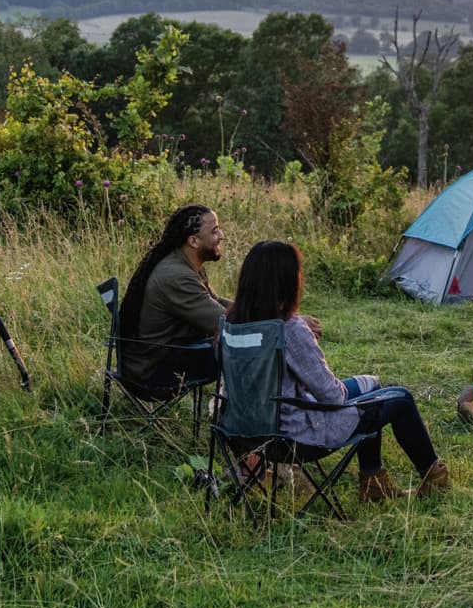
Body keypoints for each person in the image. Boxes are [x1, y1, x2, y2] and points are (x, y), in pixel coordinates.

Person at [228, 239, 450, 502]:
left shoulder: (233, 325)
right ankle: (433, 478)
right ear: (288, 282)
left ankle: (374, 481)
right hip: (295, 435)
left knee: (371, 386)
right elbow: (334, 397)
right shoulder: (290, 330)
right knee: (400, 399)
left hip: (247, 429)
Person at [117, 204, 228, 393]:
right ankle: (248, 417)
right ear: (194, 241)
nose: (221, 236)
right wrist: (271, 319)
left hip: (161, 357)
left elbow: (216, 302)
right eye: (215, 231)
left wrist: (269, 311)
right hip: (152, 372)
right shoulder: (177, 276)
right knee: (249, 350)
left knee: (246, 342)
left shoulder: (185, 262)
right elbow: (224, 320)